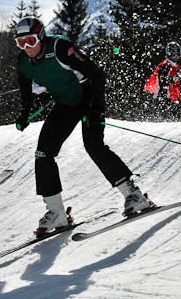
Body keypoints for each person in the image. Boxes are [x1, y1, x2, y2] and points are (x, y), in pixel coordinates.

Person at [13, 16, 152, 236]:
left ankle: (134, 195)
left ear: (40, 36)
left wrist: (96, 109)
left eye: (30, 40)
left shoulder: (60, 48)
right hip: (65, 105)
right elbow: (25, 91)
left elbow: (97, 74)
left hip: (87, 100)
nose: (27, 47)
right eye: (21, 43)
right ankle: (56, 212)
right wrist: (24, 115)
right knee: (43, 153)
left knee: (93, 145)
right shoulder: (23, 62)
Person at [144, 41, 181, 121]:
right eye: (174, 54)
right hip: (163, 99)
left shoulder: (175, 66)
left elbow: (176, 85)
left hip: (172, 99)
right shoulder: (164, 66)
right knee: (168, 121)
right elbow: (163, 83)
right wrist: (177, 77)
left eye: (178, 54)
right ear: (169, 54)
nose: (176, 57)